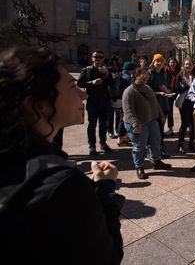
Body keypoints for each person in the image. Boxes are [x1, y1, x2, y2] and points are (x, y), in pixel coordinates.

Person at [0, 46, 125, 264]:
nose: (82, 94)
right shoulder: (61, 183)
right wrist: (106, 192)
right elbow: (107, 256)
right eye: (72, 87)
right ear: (37, 105)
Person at [122, 68, 172, 179]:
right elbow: (128, 110)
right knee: (139, 146)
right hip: (138, 123)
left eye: (147, 75)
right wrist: (135, 124)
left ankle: (156, 161)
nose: (145, 77)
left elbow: (154, 102)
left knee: (155, 141)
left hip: (151, 120)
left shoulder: (148, 88)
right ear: (135, 76)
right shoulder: (129, 91)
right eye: (142, 75)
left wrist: (161, 115)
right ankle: (139, 166)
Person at [77, 49, 115, 156]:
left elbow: (112, 85)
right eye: (95, 57)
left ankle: (103, 143)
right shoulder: (87, 70)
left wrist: (107, 75)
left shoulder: (105, 70)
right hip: (92, 102)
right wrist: (91, 83)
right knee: (92, 124)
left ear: (103, 59)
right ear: (92, 58)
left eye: (100, 57)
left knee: (103, 124)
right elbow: (79, 83)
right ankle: (92, 146)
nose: (97, 59)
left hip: (104, 101)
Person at [148, 53, 171, 158]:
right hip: (153, 106)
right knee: (154, 131)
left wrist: (166, 90)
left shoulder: (164, 74)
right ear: (153, 62)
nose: (159, 63)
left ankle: (160, 150)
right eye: (157, 61)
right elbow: (144, 91)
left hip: (164, 105)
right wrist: (158, 93)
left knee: (161, 129)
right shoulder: (149, 74)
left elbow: (169, 88)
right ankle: (152, 152)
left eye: (161, 61)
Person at [174, 59, 195, 154]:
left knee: (193, 124)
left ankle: (191, 143)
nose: (187, 66)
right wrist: (187, 87)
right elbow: (176, 89)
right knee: (185, 123)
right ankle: (180, 144)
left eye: (189, 64)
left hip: (194, 102)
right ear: (183, 65)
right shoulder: (180, 76)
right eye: (186, 64)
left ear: (193, 65)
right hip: (184, 102)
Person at [116, 61, 136, 147]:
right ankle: (120, 139)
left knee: (121, 118)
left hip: (117, 100)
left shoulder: (120, 74)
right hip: (125, 101)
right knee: (123, 119)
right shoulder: (128, 78)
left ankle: (123, 136)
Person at [165, 57, 181, 136]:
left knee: (183, 110)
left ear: (176, 63)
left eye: (174, 62)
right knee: (169, 111)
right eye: (171, 62)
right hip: (169, 92)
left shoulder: (180, 71)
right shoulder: (166, 71)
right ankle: (170, 128)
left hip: (179, 92)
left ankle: (186, 126)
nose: (172, 64)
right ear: (168, 63)